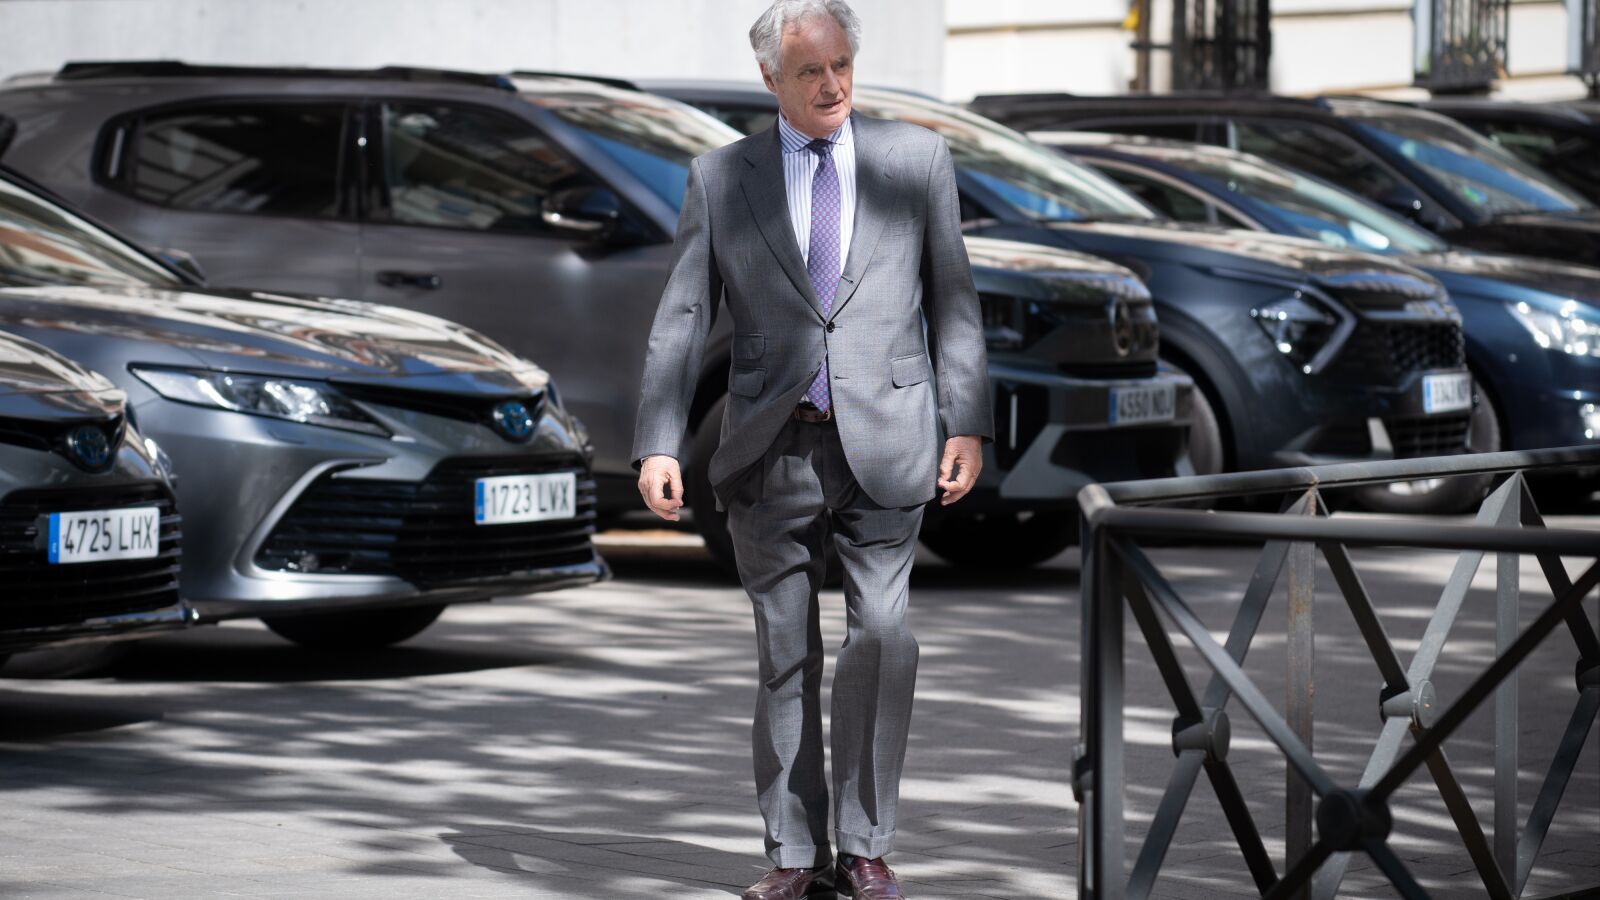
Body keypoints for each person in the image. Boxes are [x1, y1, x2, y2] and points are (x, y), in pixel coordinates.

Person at [632, 1, 991, 896]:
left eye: (841, 66)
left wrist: (966, 421)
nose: (831, 85)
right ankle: (794, 857)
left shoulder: (917, 161)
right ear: (770, 78)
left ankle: (864, 844)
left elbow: (954, 300)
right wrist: (659, 442)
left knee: (883, 637)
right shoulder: (722, 177)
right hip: (768, 446)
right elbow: (684, 314)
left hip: (890, 436)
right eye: (809, 72)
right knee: (784, 653)